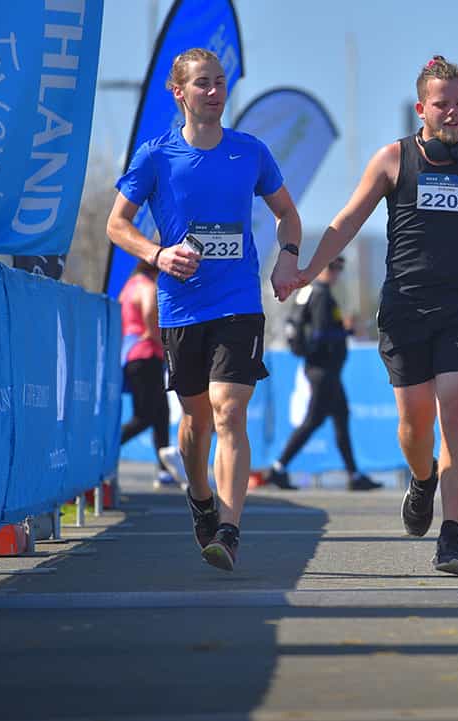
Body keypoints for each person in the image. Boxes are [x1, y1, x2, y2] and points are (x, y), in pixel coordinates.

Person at [294, 56, 458, 576]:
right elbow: (347, 221)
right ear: (422, 108)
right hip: (407, 307)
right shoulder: (393, 160)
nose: (454, 112)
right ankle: (422, 479)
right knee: (415, 424)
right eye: (443, 104)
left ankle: (452, 536)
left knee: (455, 411)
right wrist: (307, 270)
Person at [106, 48, 304, 572]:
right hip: (181, 307)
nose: (215, 92)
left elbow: (287, 214)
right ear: (180, 93)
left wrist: (287, 258)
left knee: (228, 409)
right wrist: (158, 254)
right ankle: (199, 494)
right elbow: (116, 224)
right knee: (195, 420)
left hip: (238, 301)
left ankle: (229, 529)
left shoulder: (250, 152)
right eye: (203, 84)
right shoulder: (156, 156)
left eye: (220, 82)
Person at [264, 255, 382, 492]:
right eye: (332, 266)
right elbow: (320, 335)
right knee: (314, 420)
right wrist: (346, 331)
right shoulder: (321, 295)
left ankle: (354, 474)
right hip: (322, 368)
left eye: (340, 267)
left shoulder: (311, 293)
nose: (336, 272)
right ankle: (278, 467)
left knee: (341, 417)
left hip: (325, 368)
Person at [118, 258, 185, 490]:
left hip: (132, 353)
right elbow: (149, 310)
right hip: (146, 353)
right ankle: (109, 447)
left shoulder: (128, 287)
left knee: (161, 413)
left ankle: (165, 469)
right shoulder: (147, 286)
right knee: (144, 415)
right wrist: (156, 336)